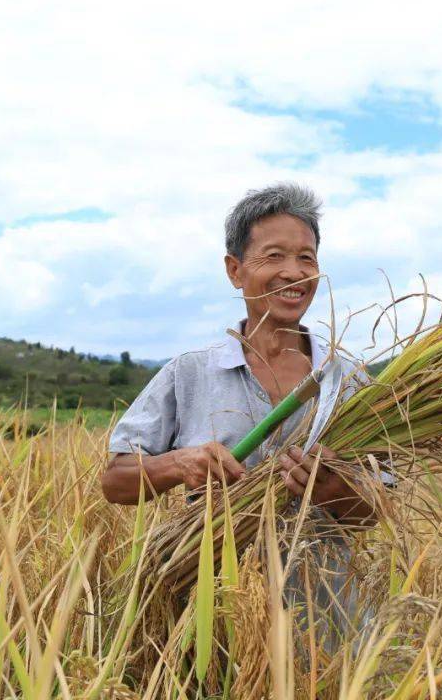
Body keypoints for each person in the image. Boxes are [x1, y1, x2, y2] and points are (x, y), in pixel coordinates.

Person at [101, 183, 385, 644]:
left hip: (330, 627)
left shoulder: (347, 381)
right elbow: (115, 481)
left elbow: (374, 510)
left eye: (306, 258)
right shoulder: (189, 374)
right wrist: (178, 463)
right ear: (235, 271)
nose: (293, 272)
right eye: (273, 256)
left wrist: (337, 489)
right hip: (215, 625)